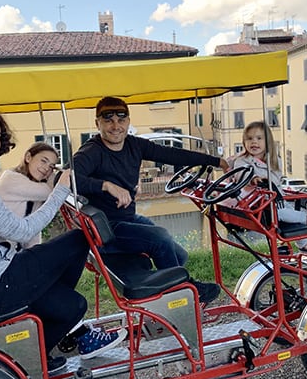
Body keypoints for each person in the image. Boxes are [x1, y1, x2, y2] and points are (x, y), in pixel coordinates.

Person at [0, 107, 125, 375]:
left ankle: (37, 350)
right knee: (77, 239)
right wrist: (61, 189)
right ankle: (24, 360)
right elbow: (21, 230)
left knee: (73, 305)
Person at [73, 96, 230, 304]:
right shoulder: (91, 151)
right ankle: (183, 294)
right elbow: (69, 180)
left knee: (178, 255)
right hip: (106, 232)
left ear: (128, 122)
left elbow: (172, 155)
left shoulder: (134, 145)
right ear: (97, 123)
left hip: (126, 220)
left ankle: (161, 299)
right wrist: (106, 185)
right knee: (160, 237)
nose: (115, 126)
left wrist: (215, 161)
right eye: (108, 119)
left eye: (121, 120)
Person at [229, 121, 307, 255]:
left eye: (259, 138)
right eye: (249, 139)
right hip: (257, 204)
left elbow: (277, 182)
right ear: (244, 142)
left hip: (275, 199)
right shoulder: (242, 160)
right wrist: (253, 179)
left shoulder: (274, 160)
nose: (254, 142)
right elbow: (241, 173)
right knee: (282, 214)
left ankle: (304, 243)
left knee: (288, 213)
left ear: (267, 141)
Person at [0, 141, 59, 248]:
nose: (47, 168)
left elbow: (34, 229)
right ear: (28, 157)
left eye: (52, 167)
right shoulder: (11, 178)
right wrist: (54, 178)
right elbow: (50, 192)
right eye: (43, 161)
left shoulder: (35, 187)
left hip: (13, 251)